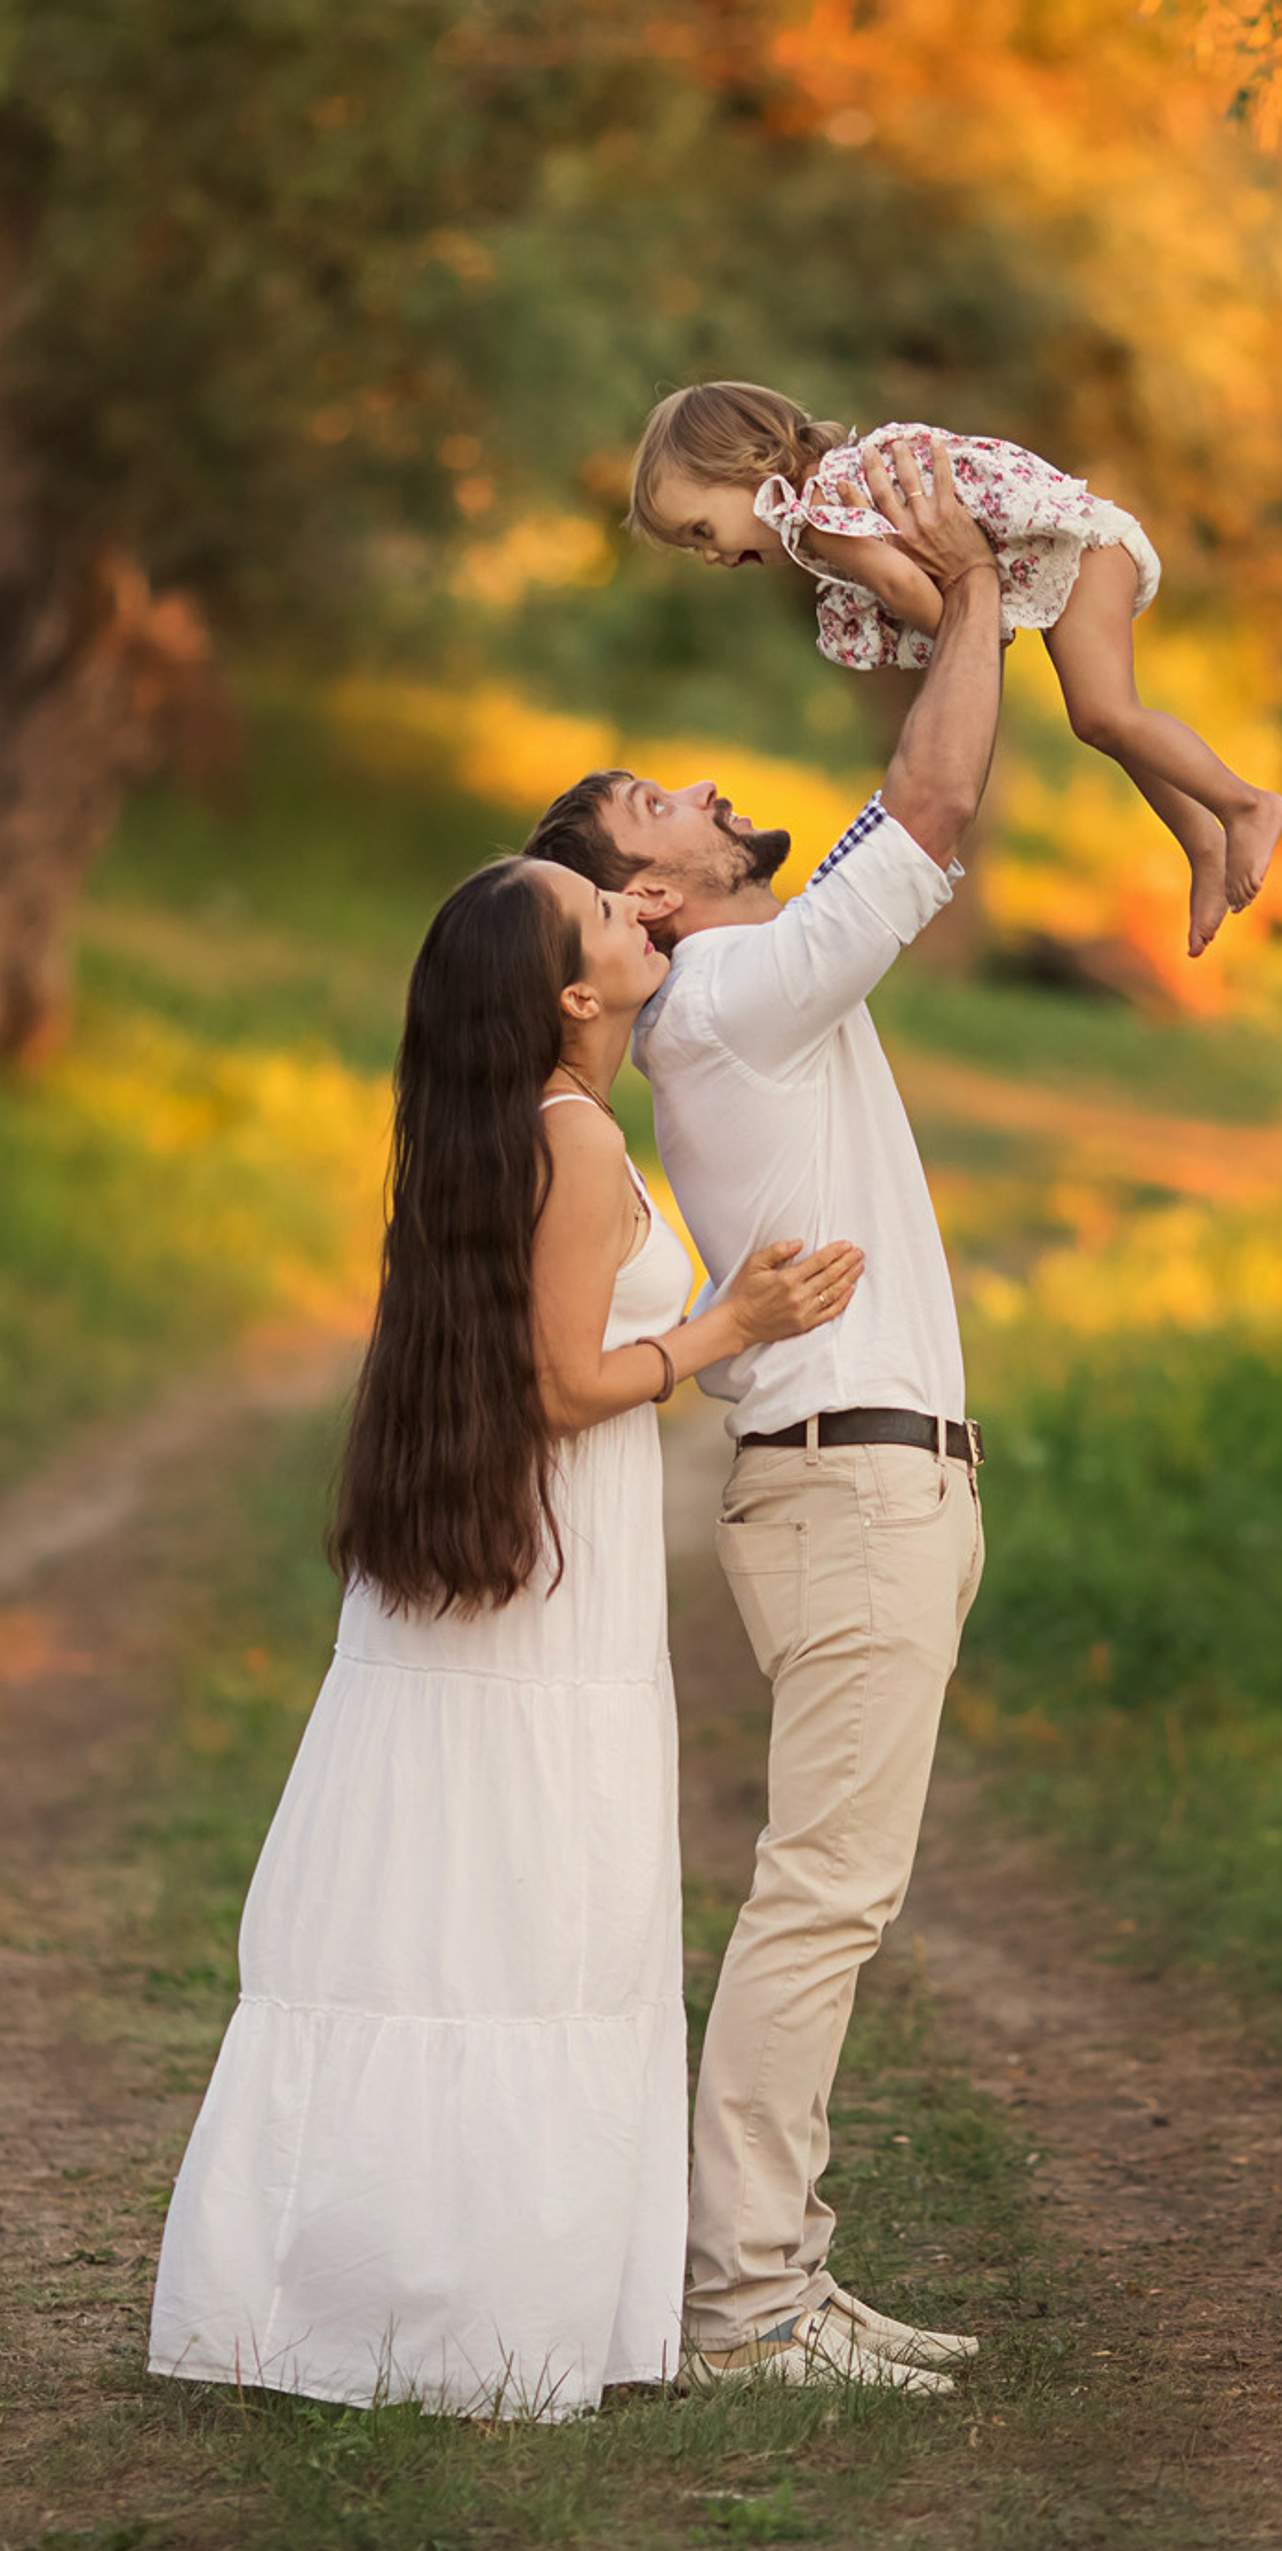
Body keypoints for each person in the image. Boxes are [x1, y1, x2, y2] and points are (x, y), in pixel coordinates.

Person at [146, 857, 864, 2419]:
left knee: (449, 1908)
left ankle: (390, 2291)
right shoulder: (577, 1137)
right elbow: (556, 1383)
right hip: (555, 1579)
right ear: (572, 997)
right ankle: (488, 2315)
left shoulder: (514, 1131)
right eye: (605, 917)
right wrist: (727, 1330)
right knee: (529, 1908)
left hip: (518, 1564)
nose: (635, 915)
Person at [522, 434, 1006, 2397]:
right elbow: (939, 795)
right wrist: (975, 597)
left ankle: (779, 2267)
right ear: (652, 890)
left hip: (848, 1485)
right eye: (672, 802)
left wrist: (920, 599)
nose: (718, 793)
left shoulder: (740, 999)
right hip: (846, 1490)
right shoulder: (721, 1002)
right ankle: (740, 2298)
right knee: (823, 1893)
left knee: (825, 1885)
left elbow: (919, 777)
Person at [626, 378, 1282, 958]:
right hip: (1071, 543)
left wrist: (963, 638)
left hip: (1078, 547)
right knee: (1101, 721)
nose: (709, 556)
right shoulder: (835, 486)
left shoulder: (813, 518)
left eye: (702, 531)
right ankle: (1202, 844)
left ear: (745, 468)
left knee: (1108, 714)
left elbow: (899, 584)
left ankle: (1247, 805)